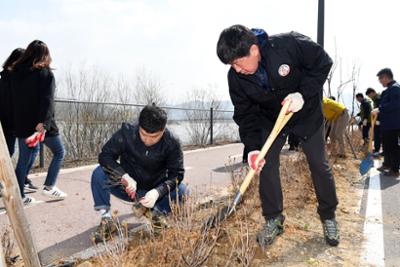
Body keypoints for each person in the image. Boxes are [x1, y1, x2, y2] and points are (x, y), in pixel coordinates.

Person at [216, 25, 339, 248]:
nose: (236, 69)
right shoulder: (236, 78)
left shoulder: (289, 45)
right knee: (266, 165)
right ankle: (274, 219)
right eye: (231, 65)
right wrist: (253, 147)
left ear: (254, 50)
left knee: (319, 164)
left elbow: (323, 62)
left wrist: (303, 93)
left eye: (237, 62)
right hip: (270, 120)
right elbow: (245, 113)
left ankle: (328, 215)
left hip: (305, 113)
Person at [91, 105, 186, 242]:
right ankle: (106, 219)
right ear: (139, 125)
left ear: (163, 130)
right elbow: (105, 156)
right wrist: (123, 176)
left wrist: (157, 192)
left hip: (153, 193)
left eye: (154, 137)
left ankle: (156, 213)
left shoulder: (172, 142)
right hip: (128, 188)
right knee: (99, 173)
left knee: (182, 190)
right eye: (144, 134)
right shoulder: (126, 132)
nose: (147, 140)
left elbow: (177, 174)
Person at [11, 40, 67, 204]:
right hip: (41, 126)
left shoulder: (16, 75)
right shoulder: (45, 74)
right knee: (59, 152)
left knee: (23, 161)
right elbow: (48, 100)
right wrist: (44, 122)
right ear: (45, 55)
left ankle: (19, 196)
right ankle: (49, 186)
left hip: (23, 125)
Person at [0, 48, 39, 192]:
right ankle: (18, 180)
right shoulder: (9, 78)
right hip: (8, 122)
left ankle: (22, 179)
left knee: (32, 149)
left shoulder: (10, 76)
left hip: (16, 122)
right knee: (8, 152)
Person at [373, 68, 400, 177]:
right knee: (387, 146)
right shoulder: (388, 90)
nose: (380, 81)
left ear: (385, 77)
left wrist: (380, 109)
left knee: (393, 147)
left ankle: (395, 169)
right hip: (387, 124)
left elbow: (396, 104)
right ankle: (387, 164)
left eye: (380, 79)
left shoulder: (395, 88)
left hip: (393, 124)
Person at [365, 88, 382, 156]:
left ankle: (377, 150)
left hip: (379, 120)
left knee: (377, 135)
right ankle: (377, 149)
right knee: (378, 135)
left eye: (369, 95)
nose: (369, 97)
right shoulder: (375, 99)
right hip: (377, 120)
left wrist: (378, 120)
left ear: (372, 92)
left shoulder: (378, 98)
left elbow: (380, 109)